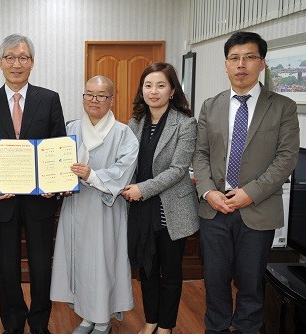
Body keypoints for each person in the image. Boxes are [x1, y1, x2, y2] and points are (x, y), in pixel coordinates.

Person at [193, 31, 300, 334]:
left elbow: (286, 159)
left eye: (249, 57)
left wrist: (249, 194)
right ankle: (215, 329)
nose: (241, 64)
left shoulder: (283, 107)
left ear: (262, 63)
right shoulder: (210, 106)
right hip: (214, 210)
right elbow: (199, 155)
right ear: (226, 65)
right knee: (214, 283)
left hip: (257, 210)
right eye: (234, 58)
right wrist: (208, 191)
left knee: (251, 285)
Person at [0, 34, 66, 334]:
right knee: (7, 266)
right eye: (10, 57)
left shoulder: (49, 99)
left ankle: (39, 322)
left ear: (32, 63)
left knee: (42, 267)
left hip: (41, 199)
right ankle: (12, 322)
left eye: (23, 57)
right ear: (0, 63)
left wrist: (55, 178)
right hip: (4, 198)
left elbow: (57, 144)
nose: (17, 63)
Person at [50, 75, 138, 334]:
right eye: (89, 94)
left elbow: (124, 171)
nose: (94, 100)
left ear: (112, 99)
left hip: (105, 208)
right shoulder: (70, 129)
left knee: (102, 262)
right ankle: (87, 317)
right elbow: (56, 164)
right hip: (75, 206)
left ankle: (102, 321)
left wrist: (91, 175)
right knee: (79, 261)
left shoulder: (124, 133)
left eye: (101, 95)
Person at [121, 63, 199, 334]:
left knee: (170, 273)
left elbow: (178, 170)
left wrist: (143, 189)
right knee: (146, 269)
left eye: (161, 85)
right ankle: (150, 320)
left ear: (172, 90)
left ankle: (166, 325)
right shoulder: (135, 123)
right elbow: (127, 164)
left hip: (171, 211)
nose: (153, 91)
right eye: (148, 85)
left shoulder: (186, 123)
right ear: (141, 90)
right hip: (140, 210)